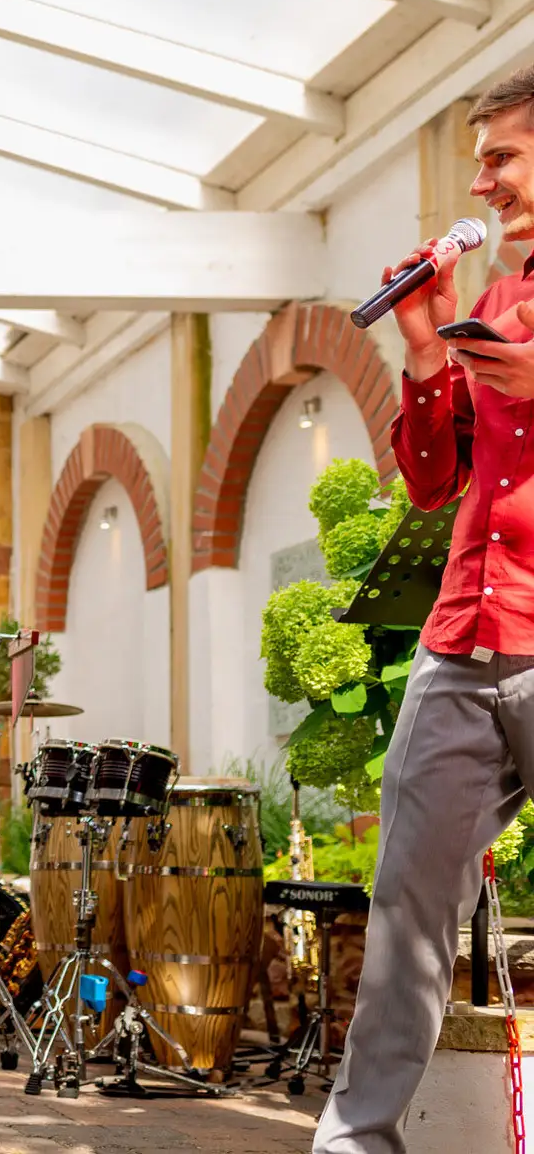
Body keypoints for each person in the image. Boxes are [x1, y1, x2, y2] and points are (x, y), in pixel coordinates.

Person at [314, 67, 534, 1154]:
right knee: (405, 912)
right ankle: (355, 1143)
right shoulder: (487, 304)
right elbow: (435, 480)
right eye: (479, 162)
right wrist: (421, 347)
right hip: (462, 640)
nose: (481, 183)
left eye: (502, 158)